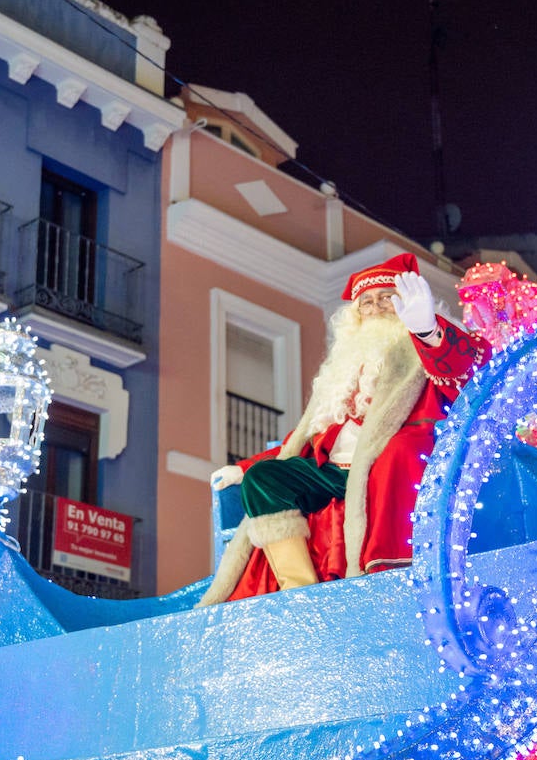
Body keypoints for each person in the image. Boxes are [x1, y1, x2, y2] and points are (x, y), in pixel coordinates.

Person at [198, 252, 488, 605]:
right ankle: (298, 591)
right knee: (266, 479)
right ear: (356, 315)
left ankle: (384, 571)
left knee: (393, 455)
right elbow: (303, 438)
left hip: (382, 467)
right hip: (334, 471)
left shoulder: (425, 351)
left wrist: (426, 329)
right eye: (367, 302)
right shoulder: (344, 369)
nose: (377, 307)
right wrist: (244, 469)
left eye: (386, 298)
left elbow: (464, 376)